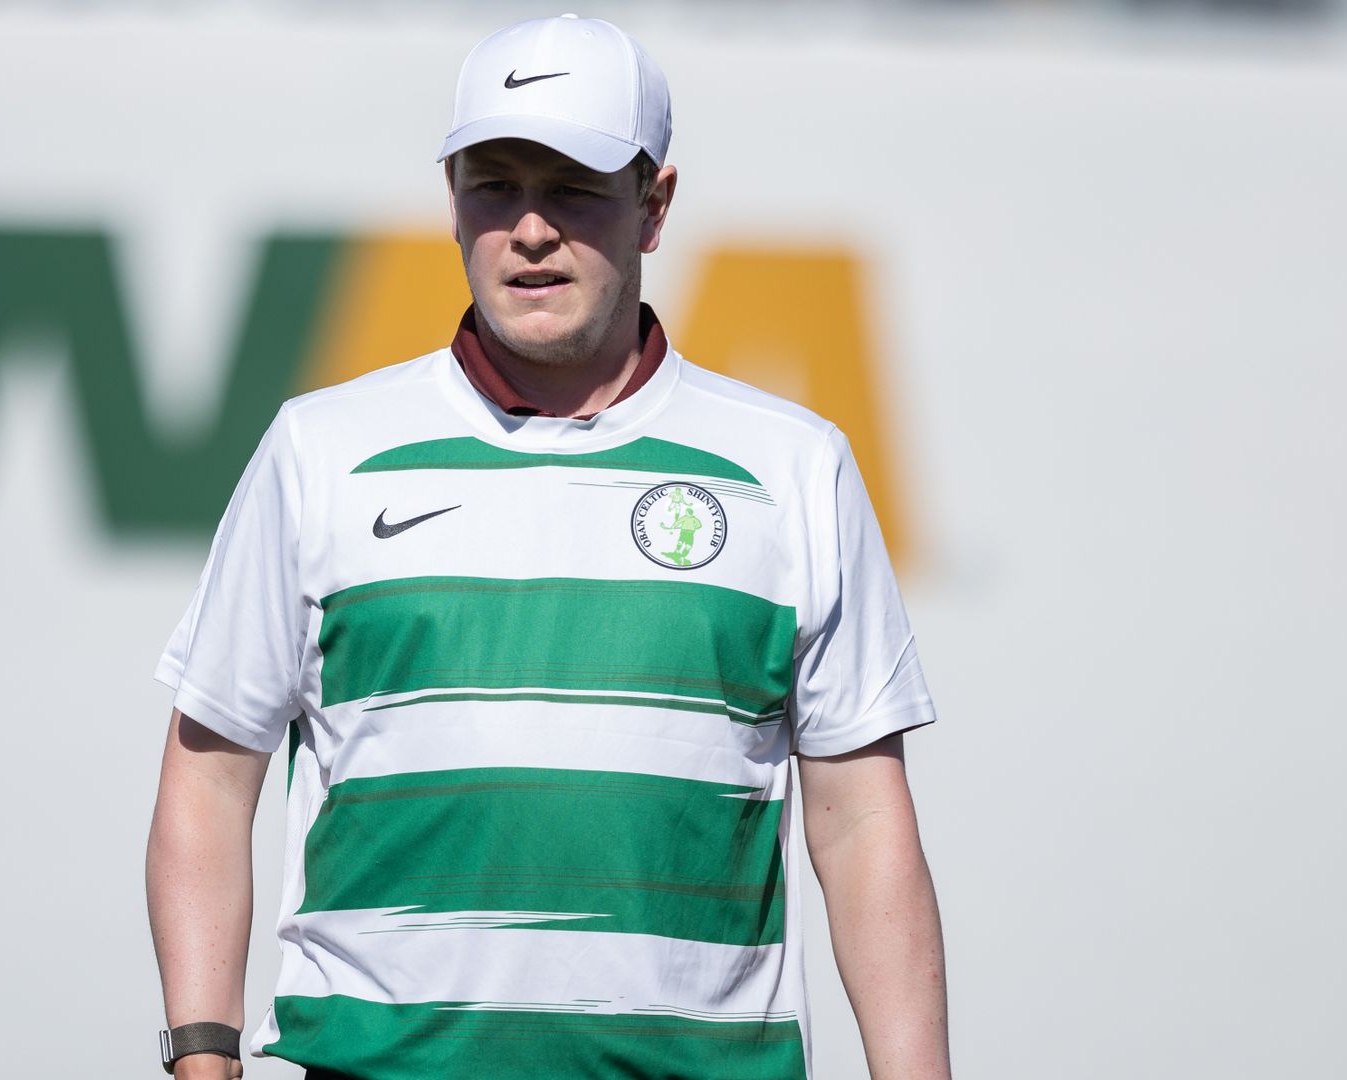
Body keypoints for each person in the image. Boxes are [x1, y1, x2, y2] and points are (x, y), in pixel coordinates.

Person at [146, 13, 949, 1080]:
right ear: (452, 201)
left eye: (573, 188)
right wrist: (202, 1056)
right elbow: (210, 777)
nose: (530, 228)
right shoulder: (320, 449)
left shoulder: (793, 465)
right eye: (495, 186)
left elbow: (860, 824)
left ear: (654, 206)